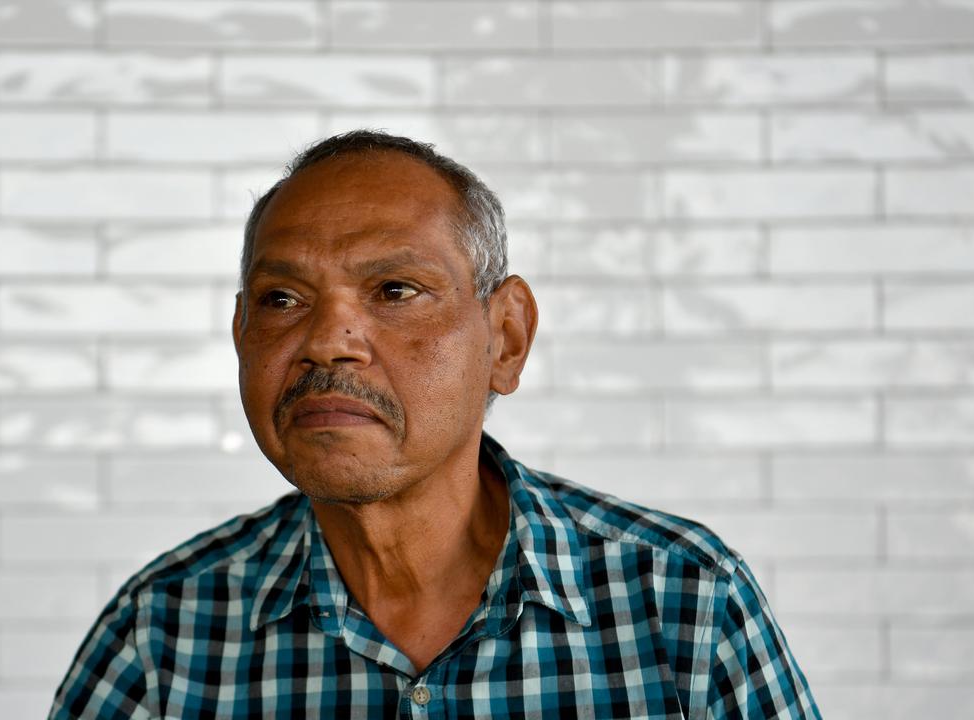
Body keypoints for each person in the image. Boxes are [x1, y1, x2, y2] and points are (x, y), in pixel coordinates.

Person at [49, 130, 820, 719]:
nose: (326, 341)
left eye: (394, 289)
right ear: (241, 334)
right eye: (283, 300)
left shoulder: (682, 601)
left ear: (506, 338)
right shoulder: (165, 633)